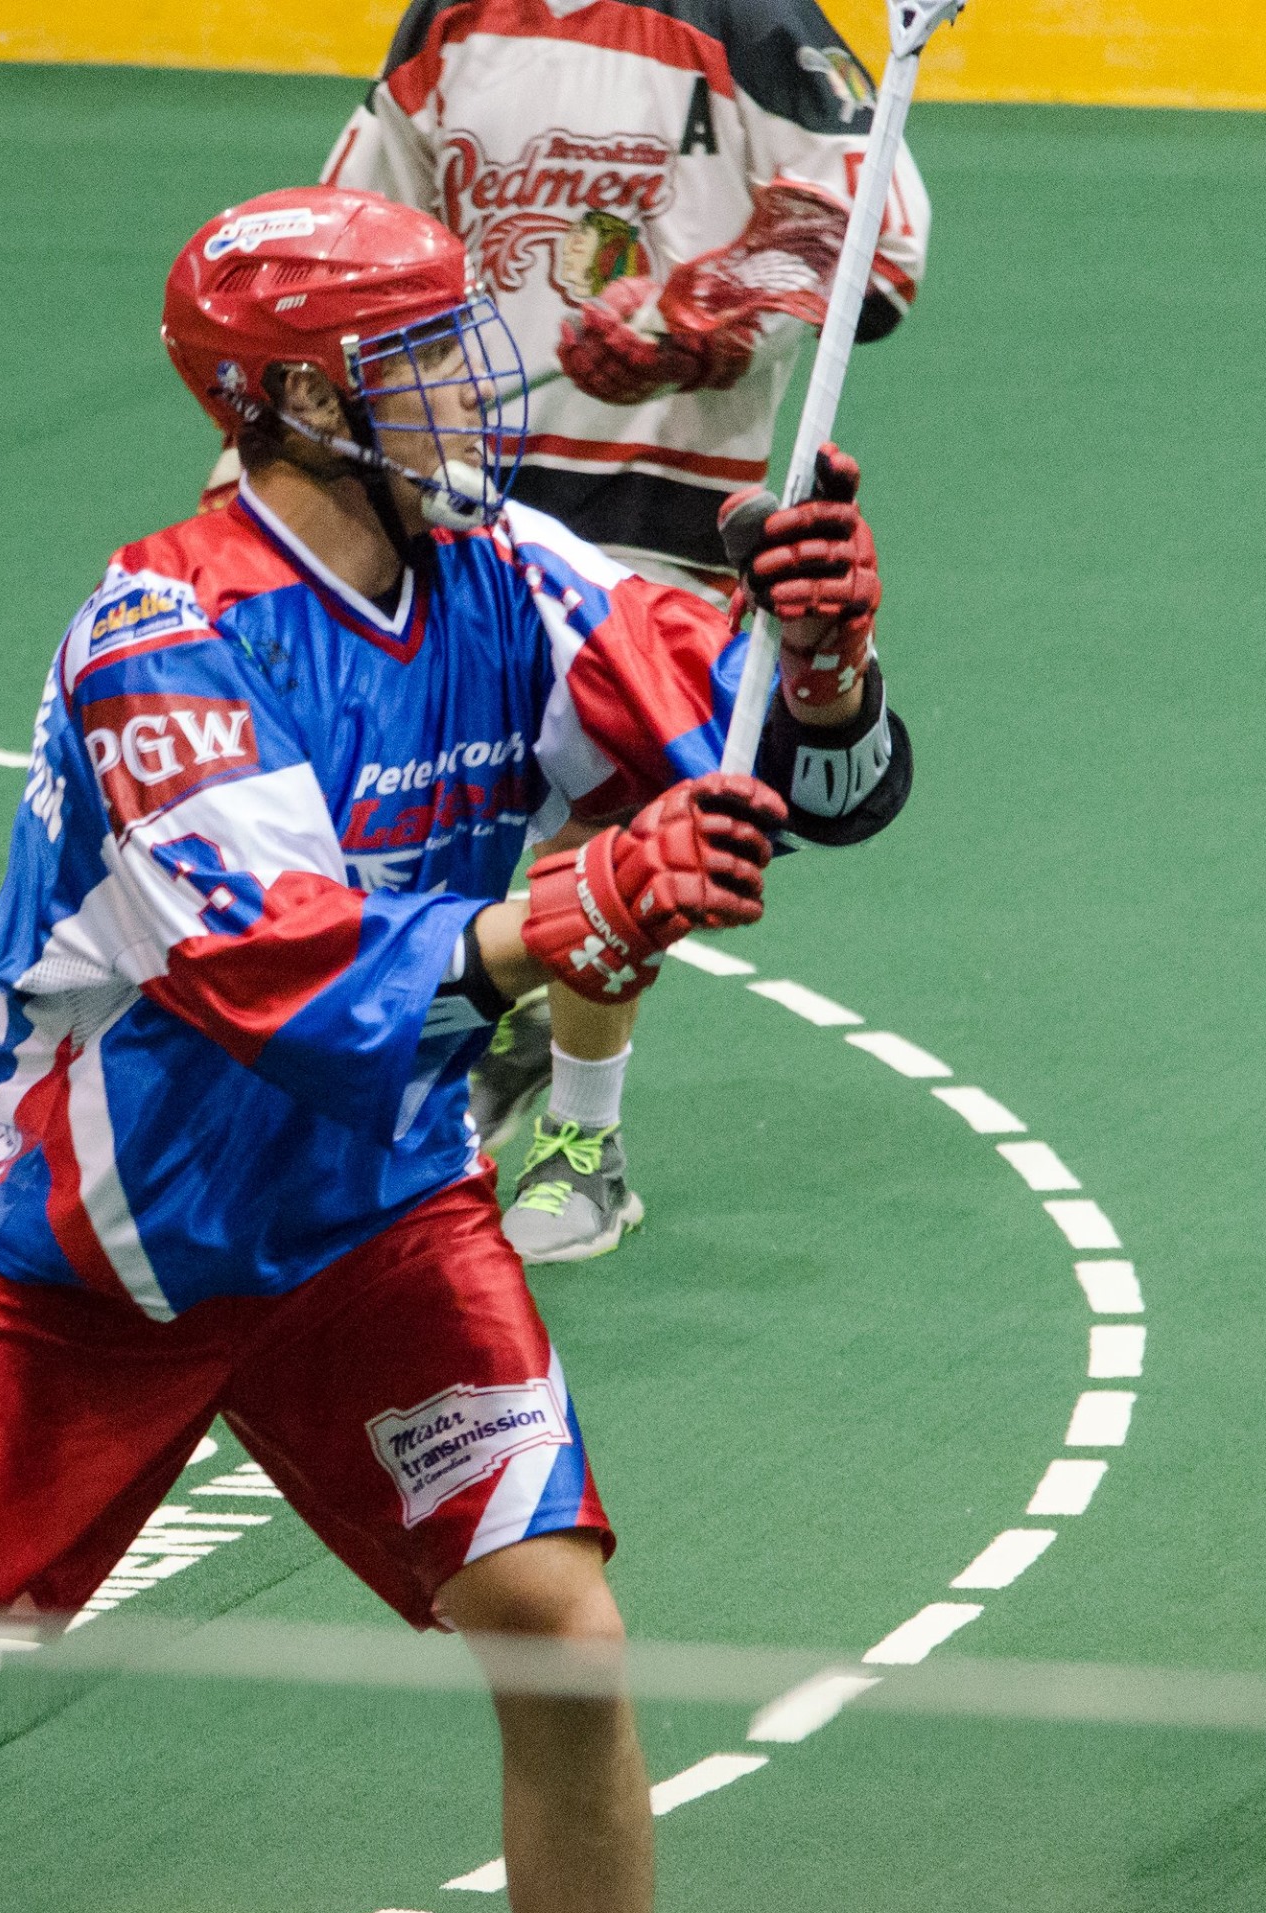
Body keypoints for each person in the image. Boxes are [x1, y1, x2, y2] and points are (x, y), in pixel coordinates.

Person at [0, 185, 909, 1913]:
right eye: (419, 363)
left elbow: (806, 781)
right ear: (298, 402)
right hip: (86, 1255)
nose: (471, 392)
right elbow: (290, 985)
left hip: (370, 1220)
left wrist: (828, 665)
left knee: (559, 1632)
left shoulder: (519, 580)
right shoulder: (164, 638)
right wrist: (583, 892)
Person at [321, 0, 932, 1261]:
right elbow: (356, 242)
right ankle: (473, 1042)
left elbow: (879, 236)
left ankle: (582, 1142)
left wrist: (715, 306)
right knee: (409, 798)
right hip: (453, 487)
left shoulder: (748, 21)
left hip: (663, 502)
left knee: (611, 821)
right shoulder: (450, 21)